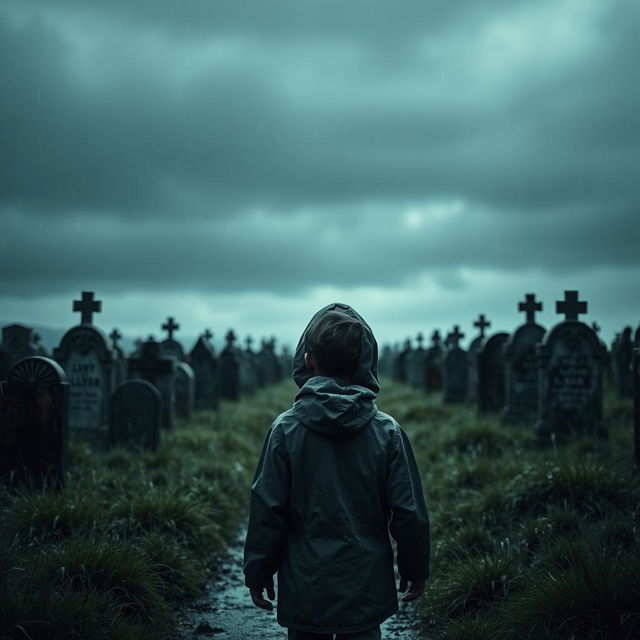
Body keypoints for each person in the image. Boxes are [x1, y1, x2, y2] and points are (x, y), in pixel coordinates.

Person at [243, 303, 430, 639]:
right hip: (365, 583)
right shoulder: (387, 432)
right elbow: (408, 511)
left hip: (304, 583)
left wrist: (257, 571)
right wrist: (415, 567)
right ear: (364, 360)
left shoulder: (284, 431)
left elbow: (266, 509)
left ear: (307, 358)